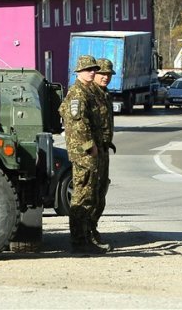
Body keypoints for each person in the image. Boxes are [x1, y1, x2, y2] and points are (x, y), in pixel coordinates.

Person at [58, 55, 108, 255]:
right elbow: (78, 124)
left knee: (91, 194)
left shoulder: (89, 91)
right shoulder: (78, 93)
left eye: (94, 69)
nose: (93, 72)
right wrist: (90, 146)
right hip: (83, 153)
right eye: (88, 69)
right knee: (82, 196)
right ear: (78, 72)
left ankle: (86, 237)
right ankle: (79, 242)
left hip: (90, 151)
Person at [92, 58, 117, 249]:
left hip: (103, 149)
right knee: (89, 194)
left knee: (101, 193)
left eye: (108, 74)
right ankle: (85, 235)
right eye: (102, 74)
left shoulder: (105, 95)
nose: (105, 77)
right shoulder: (88, 95)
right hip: (91, 151)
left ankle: (92, 229)